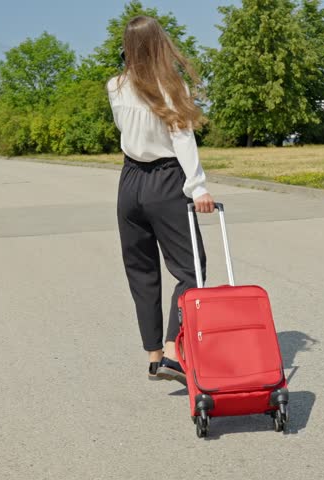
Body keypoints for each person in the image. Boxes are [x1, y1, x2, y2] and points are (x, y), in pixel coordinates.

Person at [107, 15, 215, 386]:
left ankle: (153, 357)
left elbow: (127, 131)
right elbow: (182, 139)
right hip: (166, 180)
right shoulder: (171, 87)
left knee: (142, 271)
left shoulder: (115, 86)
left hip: (129, 182)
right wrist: (197, 187)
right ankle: (172, 351)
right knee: (192, 270)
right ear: (159, 44)